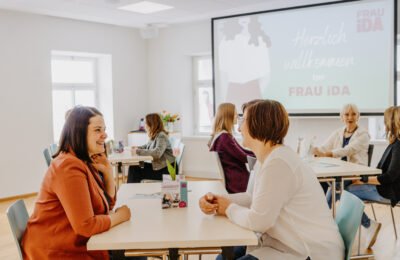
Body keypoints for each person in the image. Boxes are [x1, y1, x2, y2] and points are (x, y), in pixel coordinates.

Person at [199, 100, 344, 260]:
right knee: (222, 258)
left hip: (310, 251)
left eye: (243, 120)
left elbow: (258, 222)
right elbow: (250, 198)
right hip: (283, 244)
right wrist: (218, 201)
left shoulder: (279, 163)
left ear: (258, 124)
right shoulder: (267, 158)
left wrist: (228, 208)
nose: (239, 127)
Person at [21, 106, 131, 260]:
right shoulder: (68, 166)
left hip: (74, 243)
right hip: (56, 251)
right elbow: (86, 226)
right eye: (98, 130)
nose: (105, 135)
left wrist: (108, 173)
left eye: (104, 129)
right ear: (78, 132)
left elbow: (106, 206)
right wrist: (121, 216)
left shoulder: (82, 160)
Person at [346, 106, 400, 248]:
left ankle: (368, 225)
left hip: (387, 192)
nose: (384, 123)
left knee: (341, 191)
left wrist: (363, 180)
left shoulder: (398, 146)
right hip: (382, 187)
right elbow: (380, 171)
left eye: (385, 120)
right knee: (343, 187)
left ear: (392, 122)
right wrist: (361, 177)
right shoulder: (394, 144)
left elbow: (389, 177)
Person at [314, 103, 370, 194]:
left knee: (336, 185)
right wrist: (315, 150)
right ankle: (319, 207)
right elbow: (325, 147)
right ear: (341, 117)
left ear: (358, 116)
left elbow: (347, 150)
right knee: (320, 181)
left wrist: (325, 154)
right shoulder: (338, 132)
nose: (350, 118)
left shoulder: (363, 135)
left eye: (353, 114)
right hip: (338, 172)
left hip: (354, 174)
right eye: (347, 114)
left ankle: (327, 208)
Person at [208, 103, 255, 193]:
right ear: (228, 117)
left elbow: (242, 151)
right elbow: (243, 157)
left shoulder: (223, 135)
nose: (238, 116)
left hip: (236, 178)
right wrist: (260, 156)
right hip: (238, 181)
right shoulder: (224, 137)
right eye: (235, 114)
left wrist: (259, 153)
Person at [127, 113, 175, 183]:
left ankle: (130, 191)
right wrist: (137, 147)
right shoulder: (155, 134)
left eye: (146, 123)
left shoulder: (161, 136)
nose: (144, 125)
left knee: (135, 170)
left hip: (166, 171)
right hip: (161, 167)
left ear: (151, 124)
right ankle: (132, 191)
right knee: (134, 167)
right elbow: (147, 146)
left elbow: (157, 153)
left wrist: (137, 151)